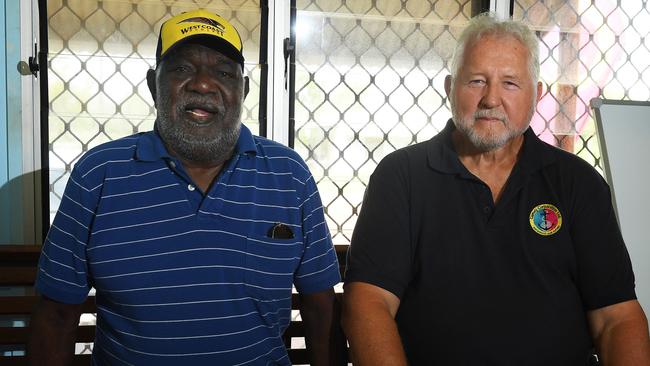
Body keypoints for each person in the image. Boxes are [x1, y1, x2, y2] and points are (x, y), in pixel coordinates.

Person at [28, 9, 343, 365]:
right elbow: (56, 316)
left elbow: (321, 308)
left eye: (224, 72)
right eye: (182, 69)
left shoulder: (288, 174)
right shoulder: (99, 174)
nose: (203, 84)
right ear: (153, 84)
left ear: (244, 89)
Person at [341, 12, 650, 366]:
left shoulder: (579, 183)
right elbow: (368, 303)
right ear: (449, 88)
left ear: (535, 94)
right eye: (476, 81)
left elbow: (618, 319)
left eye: (510, 83)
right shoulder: (400, 177)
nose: (491, 99)